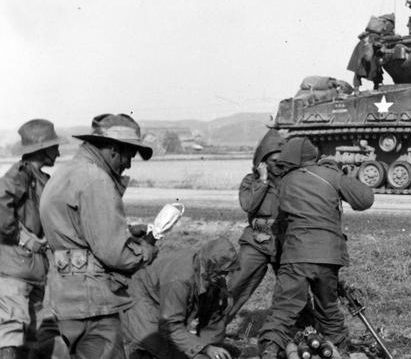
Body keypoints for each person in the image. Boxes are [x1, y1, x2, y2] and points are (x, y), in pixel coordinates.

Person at [40, 114, 159, 359]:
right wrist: (145, 249)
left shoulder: (65, 174)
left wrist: (125, 232)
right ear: (114, 149)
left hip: (62, 298)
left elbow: (74, 234)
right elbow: (116, 254)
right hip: (93, 306)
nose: (128, 164)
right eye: (129, 154)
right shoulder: (96, 180)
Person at [258, 137, 375, 359]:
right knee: (329, 309)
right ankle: (341, 351)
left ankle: (269, 351)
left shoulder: (285, 182)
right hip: (328, 255)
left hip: (295, 255)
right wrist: (342, 177)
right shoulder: (330, 175)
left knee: (283, 310)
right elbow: (365, 200)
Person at [0, 119, 63, 359]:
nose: (58, 151)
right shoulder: (20, 174)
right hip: (13, 272)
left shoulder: (40, 178)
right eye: (54, 146)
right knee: (10, 335)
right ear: (41, 148)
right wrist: (21, 238)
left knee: (29, 336)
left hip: (32, 271)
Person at [121, 237, 239, 359]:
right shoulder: (179, 280)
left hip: (167, 298)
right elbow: (170, 325)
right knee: (167, 350)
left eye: (227, 272)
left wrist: (211, 349)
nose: (225, 277)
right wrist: (204, 348)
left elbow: (213, 318)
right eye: (222, 272)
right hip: (143, 300)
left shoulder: (213, 274)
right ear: (209, 264)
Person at [222, 129, 285, 325]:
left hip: (284, 241)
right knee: (236, 285)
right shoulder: (250, 182)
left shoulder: (289, 181)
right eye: (273, 161)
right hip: (257, 240)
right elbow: (248, 205)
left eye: (281, 161)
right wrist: (263, 181)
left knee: (292, 289)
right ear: (263, 162)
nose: (278, 165)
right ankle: (211, 329)